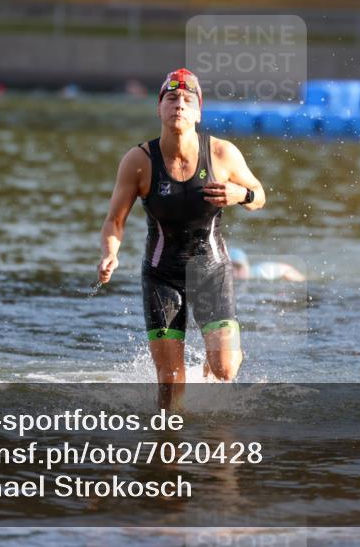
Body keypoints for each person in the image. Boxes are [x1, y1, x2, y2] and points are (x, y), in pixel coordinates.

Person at [97, 68, 265, 410]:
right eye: (171, 99)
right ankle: (166, 454)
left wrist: (240, 194)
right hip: (161, 274)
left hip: (211, 271)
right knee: (170, 388)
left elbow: (260, 195)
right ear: (158, 109)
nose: (179, 105)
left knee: (225, 369)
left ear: (199, 112)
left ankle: (220, 349)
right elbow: (114, 220)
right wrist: (110, 254)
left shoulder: (221, 153)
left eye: (188, 100)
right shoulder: (139, 162)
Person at [229, 248, 306, 282]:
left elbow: (287, 271)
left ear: (246, 266)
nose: (234, 273)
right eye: (229, 269)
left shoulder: (262, 272)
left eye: (238, 267)